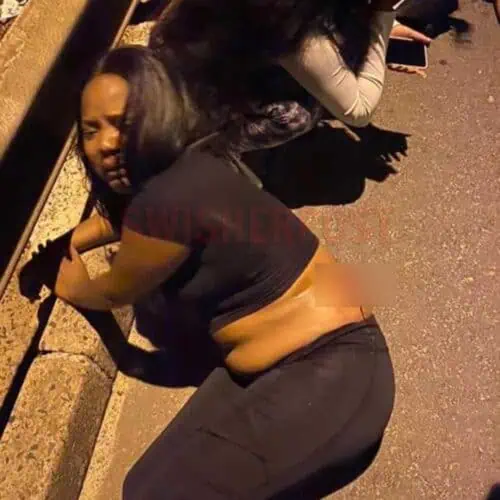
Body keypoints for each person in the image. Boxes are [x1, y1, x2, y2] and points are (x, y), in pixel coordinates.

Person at [44, 45, 395, 499]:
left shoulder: (168, 199)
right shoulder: (192, 167)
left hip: (333, 376)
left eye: (122, 123)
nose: (105, 143)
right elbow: (128, 221)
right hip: (300, 368)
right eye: (91, 129)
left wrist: (75, 285)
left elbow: (110, 291)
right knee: (142, 487)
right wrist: (68, 240)